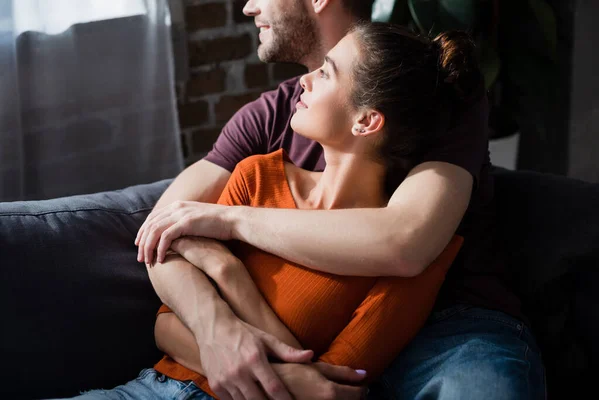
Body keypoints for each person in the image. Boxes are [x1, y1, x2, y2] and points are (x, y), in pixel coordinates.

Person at [134, 1, 545, 399]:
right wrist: (217, 328)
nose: (248, 7)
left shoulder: (430, 92)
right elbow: (163, 230)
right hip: (301, 339)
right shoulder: (272, 116)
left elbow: (404, 243)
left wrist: (229, 224)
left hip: (457, 321)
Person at [67, 23, 475, 400]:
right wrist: (243, 352)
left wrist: (232, 276)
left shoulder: (410, 262)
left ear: (366, 121)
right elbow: (164, 326)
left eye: (327, 72)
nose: (304, 79)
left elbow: (329, 389)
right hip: (151, 389)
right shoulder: (257, 175)